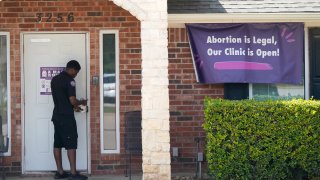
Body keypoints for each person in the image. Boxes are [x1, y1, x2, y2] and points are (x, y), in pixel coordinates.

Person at [51, 60, 88, 180]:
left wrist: (75, 107)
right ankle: (73, 173)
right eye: (76, 72)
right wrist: (81, 102)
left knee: (57, 143)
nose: (76, 75)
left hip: (56, 116)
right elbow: (72, 100)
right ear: (72, 69)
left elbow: (62, 99)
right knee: (71, 144)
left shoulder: (54, 79)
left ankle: (60, 172)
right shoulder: (70, 81)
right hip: (66, 118)